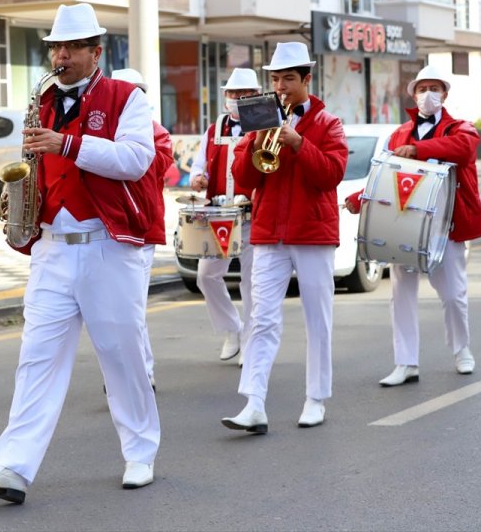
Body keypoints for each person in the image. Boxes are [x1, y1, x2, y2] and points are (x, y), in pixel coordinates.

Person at [0, 3, 161, 504]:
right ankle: (12, 466)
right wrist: (21, 204)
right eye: (55, 47)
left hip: (108, 246)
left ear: (97, 51)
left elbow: (136, 161)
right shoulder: (42, 99)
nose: (61, 55)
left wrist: (67, 145)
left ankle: (140, 451)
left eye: (71, 48)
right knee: (36, 359)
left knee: (122, 355)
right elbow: (37, 161)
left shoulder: (126, 98)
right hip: (51, 246)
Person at [221, 42, 347, 434]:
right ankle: (254, 403)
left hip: (312, 233)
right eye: (275, 79)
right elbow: (244, 181)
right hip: (269, 232)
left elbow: (331, 175)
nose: (280, 86)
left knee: (317, 318)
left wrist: (297, 142)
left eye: (288, 78)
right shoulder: (260, 117)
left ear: (307, 80)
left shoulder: (329, 123)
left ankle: (316, 398)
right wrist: (255, 144)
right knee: (261, 318)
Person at [345, 64, 481, 386]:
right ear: (412, 94)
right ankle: (405, 362)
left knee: (453, 294)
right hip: (404, 224)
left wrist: (420, 149)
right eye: (422, 88)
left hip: (446, 225)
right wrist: (361, 196)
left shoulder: (460, 128)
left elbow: (464, 150)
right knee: (401, 296)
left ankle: (461, 349)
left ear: (445, 94)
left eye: (435, 88)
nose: (428, 95)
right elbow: (385, 172)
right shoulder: (399, 133)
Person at [189, 68, 262, 365]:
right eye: (233, 94)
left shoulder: (264, 125)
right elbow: (198, 166)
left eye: (244, 94)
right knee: (206, 276)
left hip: (253, 216)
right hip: (219, 215)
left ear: (256, 96)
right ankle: (232, 327)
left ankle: (250, 343)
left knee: (251, 282)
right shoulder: (214, 128)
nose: (237, 99)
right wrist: (197, 178)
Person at [111, 67, 174, 390]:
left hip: (140, 230)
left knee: (132, 305)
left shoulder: (157, 133)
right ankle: (123, 371)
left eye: (134, 93)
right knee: (112, 309)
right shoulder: (102, 130)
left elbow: (148, 167)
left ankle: (142, 372)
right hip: (106, 228)